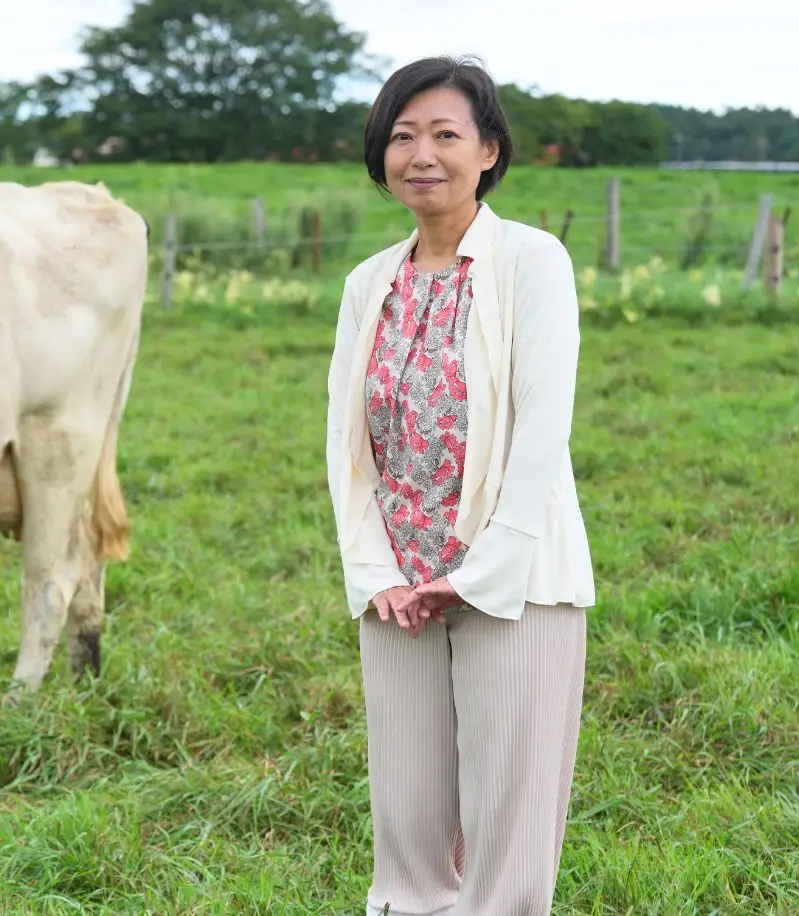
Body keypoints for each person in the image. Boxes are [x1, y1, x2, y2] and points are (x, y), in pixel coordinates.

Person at [323, 54, 597, 916]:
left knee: (506, 834)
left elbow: (544, 430)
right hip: (400, 590)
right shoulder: (369, 283)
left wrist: (479, 572)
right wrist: (377, 577)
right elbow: (349, 448)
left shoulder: (530, 261)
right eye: (402, 137)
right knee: (405, 826)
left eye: (446, 134)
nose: (422, 155)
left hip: (513, 583)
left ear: (489, 151)